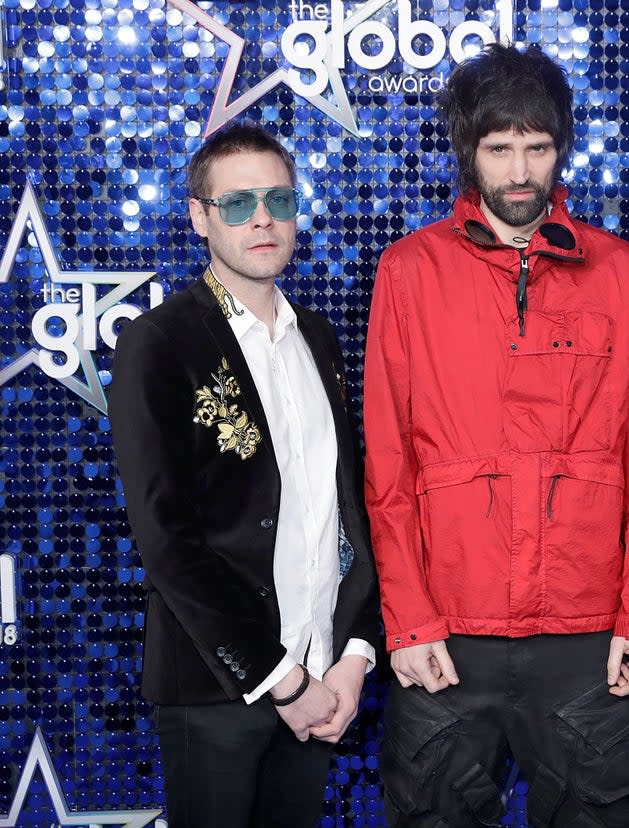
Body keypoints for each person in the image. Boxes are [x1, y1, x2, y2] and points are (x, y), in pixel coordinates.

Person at [364, 43, 629, 827]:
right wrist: (405, 621)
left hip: (587, 633)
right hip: (447, 631)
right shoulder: (409, 270)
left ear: (560, 149)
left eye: (537, 148)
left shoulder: (618, 270)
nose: (519, 172)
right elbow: (388, 466)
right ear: (469, 152)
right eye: (499, 148)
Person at [108, 123, 380, 828]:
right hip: (218, 686)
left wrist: (351, 654)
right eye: (236, 204)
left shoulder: (319, 338)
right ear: (199, 218)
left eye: (277, 199)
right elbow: (166, 539)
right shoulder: (160, 341)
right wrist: (279, 679)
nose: (261, 219)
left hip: (322, 679)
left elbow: (344, 510)